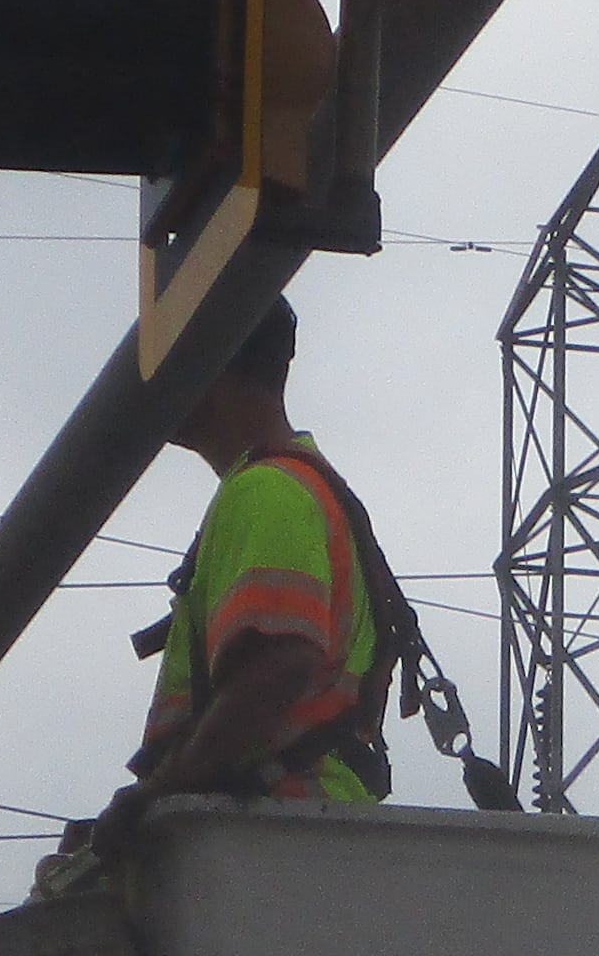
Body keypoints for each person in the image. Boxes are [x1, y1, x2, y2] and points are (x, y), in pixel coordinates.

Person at [99, 296, 391, 832]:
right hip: (293, 838)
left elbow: (282, 661)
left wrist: (161, 792)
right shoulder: (296, 485)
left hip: (272, 840)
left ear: (209, 366)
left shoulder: (266, 490)